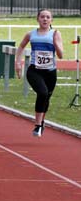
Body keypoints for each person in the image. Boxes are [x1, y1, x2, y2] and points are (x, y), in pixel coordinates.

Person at [15, 9, 63, 137]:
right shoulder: (31, 34)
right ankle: (37, 125)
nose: (45, 19)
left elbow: (61, 55)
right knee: (42, 92)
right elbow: (20, 47)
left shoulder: (55, 33)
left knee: (46, 97)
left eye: (48, 17)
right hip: (34, 70)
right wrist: (18, 63)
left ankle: (41, 123)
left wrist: (55, 44)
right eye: (42, 17)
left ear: (51, 20)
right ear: (38, 19)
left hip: (50, 72)